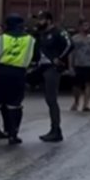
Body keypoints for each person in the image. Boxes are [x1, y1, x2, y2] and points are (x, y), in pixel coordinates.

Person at [0, 14, 38, 145]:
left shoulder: (0, 39)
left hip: (1, 73)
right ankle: (13, 134)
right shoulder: (30, 39)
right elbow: (37, 56)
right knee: (15, 105)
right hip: (19, 73)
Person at [34, 11, 73, 142]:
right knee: (48, 99)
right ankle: (53, 129)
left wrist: (60, 58)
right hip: (42, 67)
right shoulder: (41, 34)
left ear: (48, 20)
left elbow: (70, 44)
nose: (38, 22)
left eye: (41, 19)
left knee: (52, 99)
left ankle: (56, 130)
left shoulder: (58, 32)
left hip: (52, 68)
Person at [69, 19, 90, 112]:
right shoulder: (74, 39)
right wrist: (70, 66)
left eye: (88, 25)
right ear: (79, 27)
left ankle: (86, 105)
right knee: (77, 85)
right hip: (79, 64)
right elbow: (71, 53)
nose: (86, 27)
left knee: (89, 84)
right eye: (84, 25)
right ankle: (76, 102)